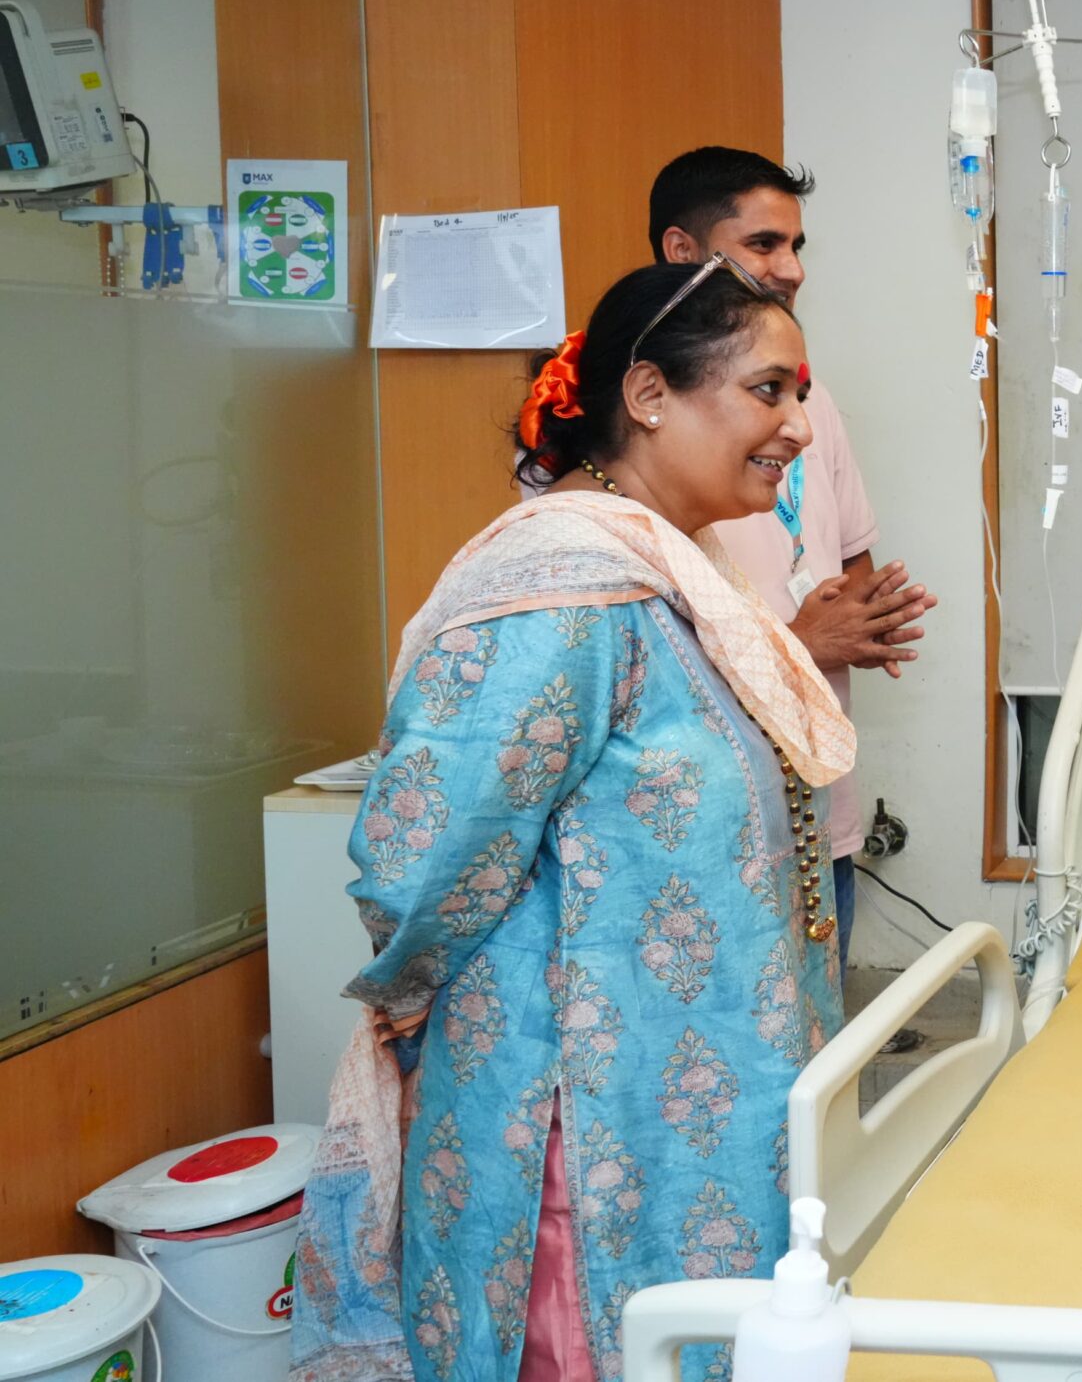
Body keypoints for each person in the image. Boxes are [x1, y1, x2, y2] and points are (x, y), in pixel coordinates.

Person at [293, 260, 858, 1382]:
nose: (798, 426)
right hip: (576, 1126)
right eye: (768, 390)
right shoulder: (557, 593)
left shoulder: (682, 585)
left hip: (697, 1107)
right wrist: (412, 996)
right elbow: (421, 856)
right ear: (648, 395)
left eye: (799, 395)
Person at [645, 147, 934, 956]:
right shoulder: (630, 418)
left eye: (797, 246)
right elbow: (640, 655)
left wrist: (866, 620)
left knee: (820, 1027)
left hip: (815, 803)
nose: (793, 269)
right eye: (765, 244)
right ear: (682, 251)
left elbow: (849, 567)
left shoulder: (813, 401)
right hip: (701, 823)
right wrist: (800, 644)